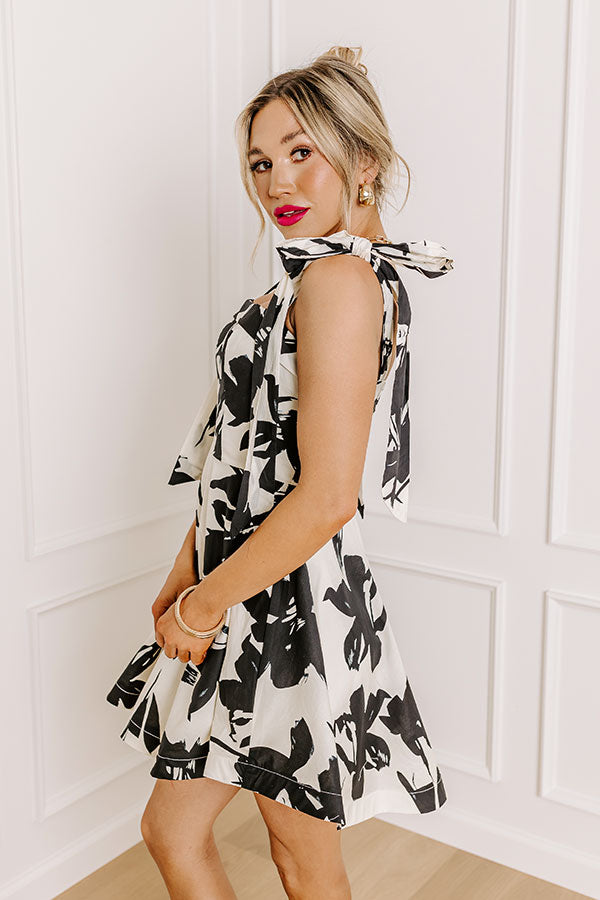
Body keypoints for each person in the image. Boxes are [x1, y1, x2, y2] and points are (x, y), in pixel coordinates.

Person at [106, 45, 453, 899]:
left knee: (292, 853)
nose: (276, 181)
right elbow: (246, 456)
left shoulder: (339, 280)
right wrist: (188, 568)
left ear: (364, 161)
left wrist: (205, 601)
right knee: (184, 831)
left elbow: (327, 494)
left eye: (302, 152)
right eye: (261, 162)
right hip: (250, 582)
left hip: (286, 603)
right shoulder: (323, 277)